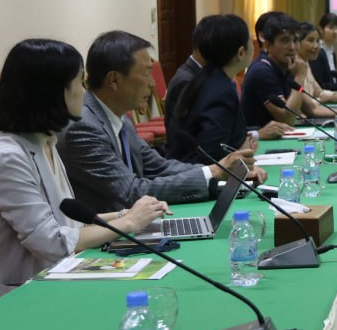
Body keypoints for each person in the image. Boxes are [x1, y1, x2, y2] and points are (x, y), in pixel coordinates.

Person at [0, 39, 166, 324]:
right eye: (79, 82)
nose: (84, 90)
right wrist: (127, 224)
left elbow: (69, 225)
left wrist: (131, 214)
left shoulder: (46, 141)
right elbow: (51, 242)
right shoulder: (8, 155)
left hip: (43, 288)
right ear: (54, 92)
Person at [58, 31, 259, 214]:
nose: (153, 83)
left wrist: (220, 173)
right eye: (146, 73)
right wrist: (214, 172)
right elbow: (130, 192)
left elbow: (159, 167)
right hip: (104, 241)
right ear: (114, 80)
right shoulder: (84, 127)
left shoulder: (119, 119)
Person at [166, 14, 263, 166]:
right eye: (251, 41)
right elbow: (213, 153)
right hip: (200, 178)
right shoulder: (219, 89)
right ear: (241, 53)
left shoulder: (210, 79)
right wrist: (240, 152)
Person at [242, 14, 337, 127]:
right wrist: (299, 77)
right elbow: (287, 118)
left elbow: (312, 109)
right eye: (284, 40)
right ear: (267, 44)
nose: (292, 47)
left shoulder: (286, 65)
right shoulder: (262, 71)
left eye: (295, 40)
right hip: (259, 142)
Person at [295, 22, 337, 104]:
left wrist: (336, 95)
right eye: (310, 40)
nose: (316, 46)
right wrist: (322, 99)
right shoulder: (293, 66)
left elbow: (319, 92)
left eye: (317, 41)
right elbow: (301, 104)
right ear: (297, 42)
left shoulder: (306, 63)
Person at [312, 12, 337, 92]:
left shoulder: (332, 52)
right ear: (321, 30)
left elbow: (332, 81)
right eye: (331, 28)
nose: (335, 32)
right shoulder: (317, 52)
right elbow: (319, 86)